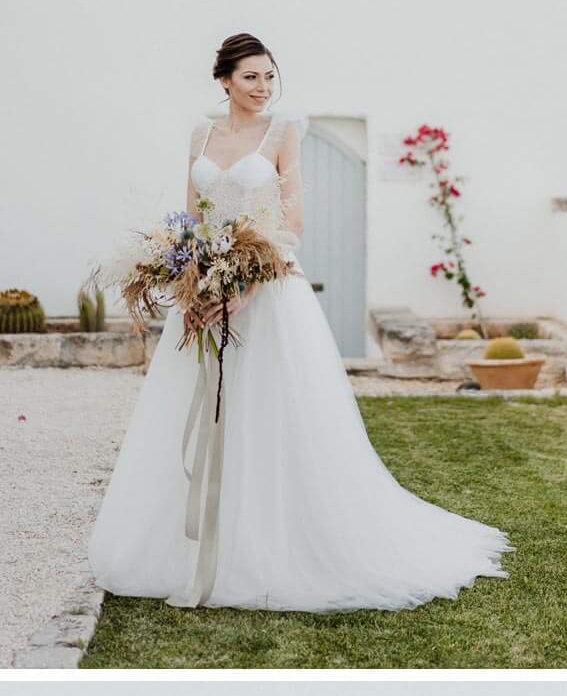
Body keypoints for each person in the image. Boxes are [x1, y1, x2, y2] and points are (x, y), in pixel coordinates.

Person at [89, 31, 510, 612]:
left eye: (269, 76)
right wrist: (191, 283)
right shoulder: (200, 134)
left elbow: (291, 223)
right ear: (224, 81)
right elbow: (190, 215)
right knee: (204, 411)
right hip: (205, 294)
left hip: (269, 293)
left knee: (272, 415)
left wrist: (244, 287)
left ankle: (269, 547)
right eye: (250, 78)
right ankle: (191, 547)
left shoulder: (285, 133)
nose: (262, 88)